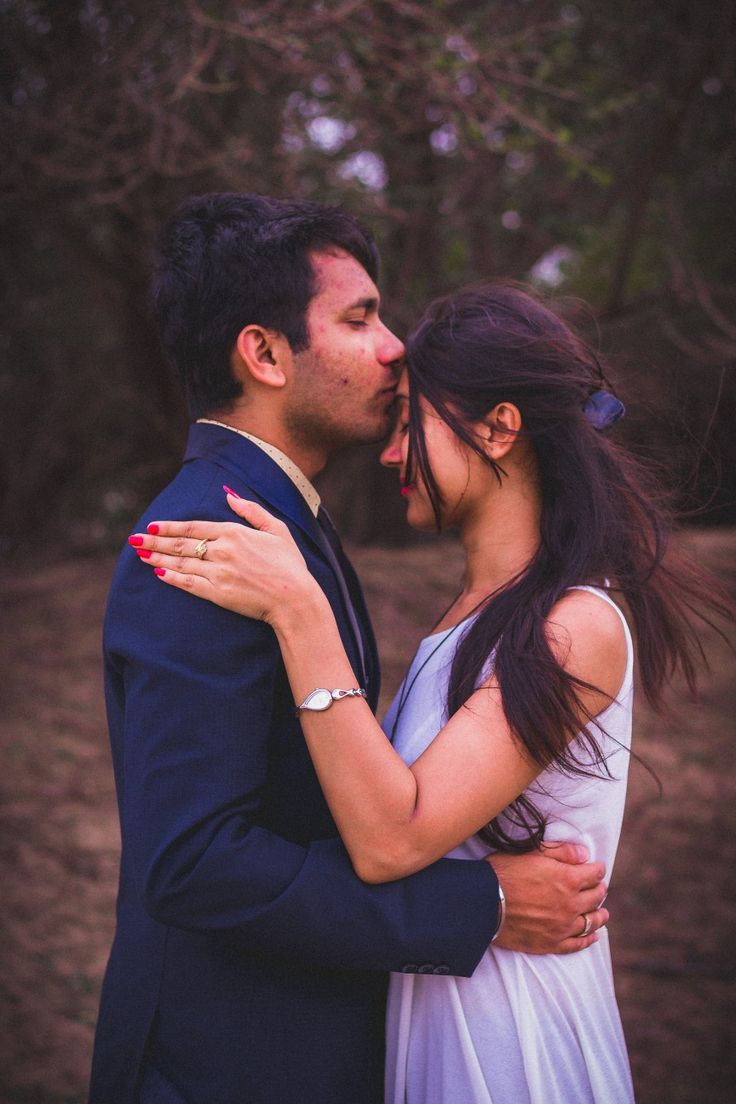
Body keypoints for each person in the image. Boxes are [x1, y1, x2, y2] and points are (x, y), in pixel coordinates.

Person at [134, 279, 733, 1103]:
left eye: (411, 418)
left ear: (498, 428)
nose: (390, 450)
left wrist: (300, 610)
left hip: (509, 1037)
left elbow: (393, 838)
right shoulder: (464, 624)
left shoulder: (573, 627)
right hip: (429, 1009)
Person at [90, 196, 609, 1104]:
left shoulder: (289, 527)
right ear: (264, 353)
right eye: (360, 318)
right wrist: (478, 904)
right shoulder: (208, 538)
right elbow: (191, 861)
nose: (395, 347)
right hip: (223, 1070)